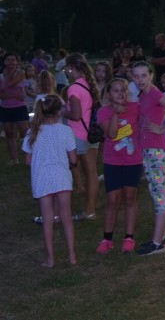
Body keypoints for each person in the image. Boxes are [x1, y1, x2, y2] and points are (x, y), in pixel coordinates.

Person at [131, 61, 165, 255]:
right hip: (147, 149)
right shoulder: (143, 95)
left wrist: (162, 129)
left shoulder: (154, 93)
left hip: (155, 149)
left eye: (143, 75)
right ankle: (161, 237)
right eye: (136, 76)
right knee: (155, 192)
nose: (140, 79)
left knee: (158, 194)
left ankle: (157, 243)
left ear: (151, 75)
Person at [21, 94, 78, 268]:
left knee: (47, 220)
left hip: (42, 179)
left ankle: (51, 259)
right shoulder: (66, 131)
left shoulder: (33, 132)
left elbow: (28, 160)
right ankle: (72, 256)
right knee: (66, 217)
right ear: (59, 112)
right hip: (62, 177)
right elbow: (74, 159)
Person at [94, 78, 143, 255]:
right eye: (116, 90)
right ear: (108, 94)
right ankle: (107, 239)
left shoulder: (136, 107)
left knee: (130, 197)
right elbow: (112, 134)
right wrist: (115, 114)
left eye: (123, 90)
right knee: (112, 200)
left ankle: (129, 237)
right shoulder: (103, 112)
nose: (121, 93)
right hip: (112, 161)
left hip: (133, 160)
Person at [64, 53, 100, 221]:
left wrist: (62, 110)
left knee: (63, 171)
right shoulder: (89, 84)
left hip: (78, 136)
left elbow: (76, 115)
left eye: (66, 68)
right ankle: (90, 210)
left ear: (71, 67)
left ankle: (58, 211)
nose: (65, 71)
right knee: (91, 173)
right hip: (92, 134)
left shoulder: (73, 88)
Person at [0, 52, 28, 165]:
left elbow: (10, 84)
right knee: (9, 133)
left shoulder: (21, 73)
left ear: (17, 62)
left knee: (24, 132)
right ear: (4, 62)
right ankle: (14, 158)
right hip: (6, 107)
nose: (11, 62)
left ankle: (28, 157)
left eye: (13, 60)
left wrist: (8, 75)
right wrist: (15, 95)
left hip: (20, 106)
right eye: (8, 60)